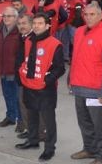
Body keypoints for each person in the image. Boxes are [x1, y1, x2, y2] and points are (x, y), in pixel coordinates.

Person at [69, 2, 102, 164]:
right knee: (84, 123)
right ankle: (90, 149)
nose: (88, 17)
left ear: (100, 16)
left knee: (101, 126)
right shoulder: (79, 32)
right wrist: (71, 79)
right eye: (86, 14)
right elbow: (76, 58)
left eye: (92, 14)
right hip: (80, 87)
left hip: (98, 91)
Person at [16, 13, 65, 162]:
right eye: (35, 23)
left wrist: (46, 80)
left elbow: (60, 68)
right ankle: (33, 140)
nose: (36, 26)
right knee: (32, 116)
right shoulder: (29, 40)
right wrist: (22, 73)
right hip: (29, 85)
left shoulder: (55, 44)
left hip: (45, 89)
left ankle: (50, 149)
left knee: (48, 120)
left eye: (40, 23)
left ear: (47, 25)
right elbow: (26, 60)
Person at [0, 6, 23, 129]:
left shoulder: (20, 32)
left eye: (9, 16)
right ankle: (10, 117)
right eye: (4, 16)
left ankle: (21, 121)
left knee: (18, 98)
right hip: (3, 69)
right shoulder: (0, 30)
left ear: (16, 18)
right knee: (7, 95)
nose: (6, 18)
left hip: (15, 71)